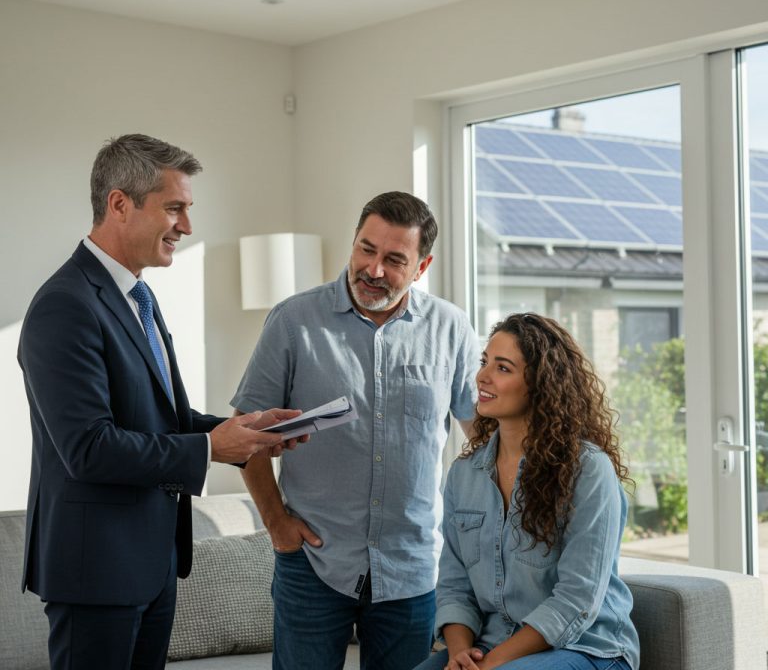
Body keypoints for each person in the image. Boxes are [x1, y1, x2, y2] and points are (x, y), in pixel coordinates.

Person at [18, 134, 302, 670]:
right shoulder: (65, 305)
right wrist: (208, 449)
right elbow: (89, 448)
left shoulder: (137, 297)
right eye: (174, 208)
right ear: (119, 204)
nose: (187, 227)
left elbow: (166, 421)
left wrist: (248, 431)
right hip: (95, 571)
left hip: (151, 564)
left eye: (188, 210)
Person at [230, 191, 480, 670]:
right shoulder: (293, 321)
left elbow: (484, 440)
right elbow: (246, 436)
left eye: (394, 259)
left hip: (412, 571)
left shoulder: (451, 328)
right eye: (366, 249)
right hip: (313, 563)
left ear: (421, 266)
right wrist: (277, 524)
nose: (374, 270)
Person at [414, 313, 640, 670]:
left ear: (541, 383)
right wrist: (460, 655)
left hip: (587, 648)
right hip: (490, 645)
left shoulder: (588, 469)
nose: (482, 377)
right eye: (485, 362)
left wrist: (491, 665)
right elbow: (456, 586)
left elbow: (575, 600)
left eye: (503, 368)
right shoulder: (464, 474)